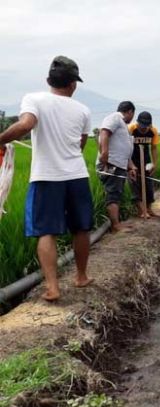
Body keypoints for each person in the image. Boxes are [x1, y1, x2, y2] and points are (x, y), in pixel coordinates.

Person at [0, 56, 92, 301]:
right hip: (77, 175)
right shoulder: (83, 109)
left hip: (45, 177)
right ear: (73, 84)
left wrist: (1, 139)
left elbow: (25, 125)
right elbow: (81, 144)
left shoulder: (34, 99)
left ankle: (53, 287)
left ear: (49, 80)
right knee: (81, 227)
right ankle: (81, 277)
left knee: (46, 232)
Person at [97, 101, 137, 232]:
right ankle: (115, 225)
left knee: (117, 192)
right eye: (133, 114)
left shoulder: (123, 125)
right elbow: (104, 133)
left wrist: (130, 166)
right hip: (112, 163)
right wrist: (104, 153)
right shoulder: (115, 118)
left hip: (120, 164)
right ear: (130, 111)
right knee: (113, 193)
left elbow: (124, 149)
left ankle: (117, 223)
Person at [128, 111, 160, 218]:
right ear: (137, 123)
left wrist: (154, 164)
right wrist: (130, 165)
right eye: (142, 126)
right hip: (132, 161)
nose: (143, 128)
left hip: (146, 161)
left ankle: (149, 209)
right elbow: (125, 147)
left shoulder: (153, 131)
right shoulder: (131, 129)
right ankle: (142, 211)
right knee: (135, 186)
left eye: (146, 126)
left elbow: (154, 148)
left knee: (149, 185)